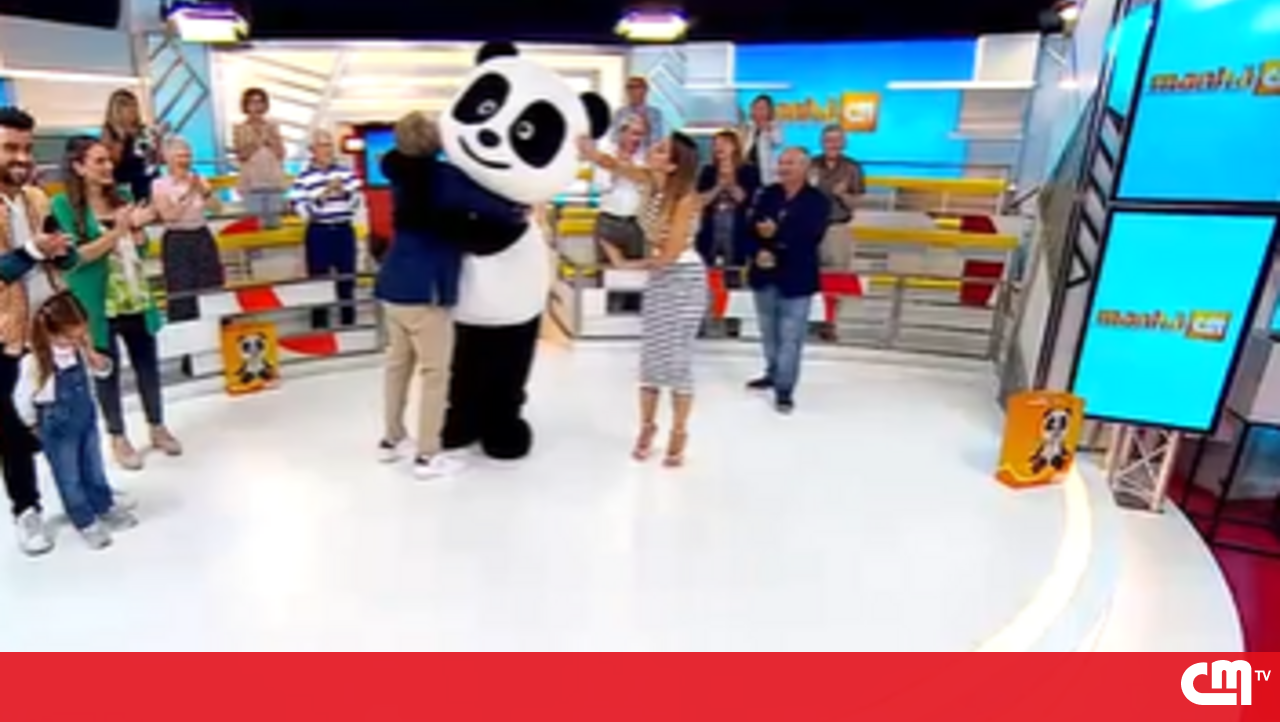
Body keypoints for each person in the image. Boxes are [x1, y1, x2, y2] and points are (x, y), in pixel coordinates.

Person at [51, 136, 182, 471]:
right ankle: (118, 436)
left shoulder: (122, 197)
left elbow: (139, 249)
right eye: (99, 161)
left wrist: (138, 234)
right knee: (107, 371)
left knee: (147, 366)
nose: (108, 166)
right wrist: (118, 231)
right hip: (98, 303)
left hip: (133, 295)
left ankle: (157, 426)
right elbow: (75, 259)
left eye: (108, 160)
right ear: (78, 167)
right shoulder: (63, 207)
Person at [579, 132, 705, 467]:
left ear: (674, 164)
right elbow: (615, 165)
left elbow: (671, 254)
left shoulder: (685, 199)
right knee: (651, 358)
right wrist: (590, 152)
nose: (652, 150)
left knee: (677, 361)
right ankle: (647, 426)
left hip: (685, 278)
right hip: (660, 277)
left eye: (661, 150)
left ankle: (679, 431)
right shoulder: (649, 180)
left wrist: (625, 263)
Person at [0, 106, 81, 555]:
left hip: (48, 326)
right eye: (10, 147)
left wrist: (62, 250)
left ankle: (84, 494)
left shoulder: (36, 197)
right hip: (4, 336)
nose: (21, 157)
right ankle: (26, 509)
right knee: (11, 431)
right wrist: (32, 250)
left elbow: (65, 256)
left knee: (71, 414)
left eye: (26, 148)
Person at [374, 112, 464, 479]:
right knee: (435, 372)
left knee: (397, 365)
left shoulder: (397, 173)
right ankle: (428, 455)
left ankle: (391, 439)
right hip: (425, 289)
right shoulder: (442, 178)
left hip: (393, 283)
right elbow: (483, 205)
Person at [12, 292, 137, 550]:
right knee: (69, 477)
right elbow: (22, 398)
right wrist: (32, 425)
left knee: (94, 467)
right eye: (70, 337)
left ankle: (103, 504)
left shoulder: (79, 350)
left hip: (85, 420)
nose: (76, 341)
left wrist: (92, 355)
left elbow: (104, 372)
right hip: (57, 429)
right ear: (50, 333)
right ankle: (84, 519)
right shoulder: (35, 360)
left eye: (81, 334)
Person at [745, 147, 830, 414]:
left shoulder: (817, 201)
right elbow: (750, 229)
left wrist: (776, 235)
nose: (783, 168)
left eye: (790, 163)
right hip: (764, 274)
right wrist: (757, 252)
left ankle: (784, 389)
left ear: (805, 167)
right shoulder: (767, 194)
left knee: (791, 337)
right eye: (781, 162)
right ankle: (772, 372)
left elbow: (811, 235)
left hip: (797, 277)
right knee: (769, 332)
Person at [288, 130, 362, 329]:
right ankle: (320, 327)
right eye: (322, 145)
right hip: (319, 232)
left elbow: (357, 203)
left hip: (343, 230)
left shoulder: (346, 173)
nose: (328, 150)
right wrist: (323, 196)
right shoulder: (302, 178)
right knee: (318, 282)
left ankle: (349, 323)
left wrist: (344, 192)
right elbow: (302, 211)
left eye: (329, 145)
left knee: (347, 279)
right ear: (312, 150)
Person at [151, 136, 224, 322]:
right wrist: (190, 191)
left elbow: (217, 209)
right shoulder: (159, 185)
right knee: (182, 290)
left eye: (188, 156)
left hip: (201, 236)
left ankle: (213, 324)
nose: (185, 160)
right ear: (168, 158)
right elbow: (169, 215)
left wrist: (205, 192)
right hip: (177, 240)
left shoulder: (200, 180)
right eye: (180, 156)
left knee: (211, 285)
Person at [696, 129, 760, 337]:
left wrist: (730, 184)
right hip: (711, 226)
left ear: (734, 147)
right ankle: (701, 322)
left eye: (723, 143)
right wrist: (717, 187)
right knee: (704, 275)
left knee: (734, 275)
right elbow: (701, 200)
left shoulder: (748, 171)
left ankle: (733, 323)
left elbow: (747, 200)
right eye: (716, 144)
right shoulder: (707, 171)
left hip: (736, 227)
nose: (719, 147)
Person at [809, 124, 866, 341]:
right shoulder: (811, 165)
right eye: (827, 140)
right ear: (821, 143)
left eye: (836, 140)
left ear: (844, 143)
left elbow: (857, 203)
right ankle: (810, 318)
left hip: (837, 228)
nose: (831, 144)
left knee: (835, 278)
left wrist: (842, 195)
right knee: (809, 275)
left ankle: (829, 323)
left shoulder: (853, 168)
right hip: (810, 227)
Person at [592, 115, 647, 313]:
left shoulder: (645, 159)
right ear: (622, 133)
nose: (637, 139)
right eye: (634, 133)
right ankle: (608, 317)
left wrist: (632, 169)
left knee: (635, 277)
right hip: (608, 223)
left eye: (641, 134)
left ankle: (632, 318)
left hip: (636, 225)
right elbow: (599, 186)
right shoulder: (605, 156)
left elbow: (647, 188)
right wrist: (616, 168)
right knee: (608, 275)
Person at [232, 88, 287, 229]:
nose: (256, 106)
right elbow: (242, 155)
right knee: (255, 226)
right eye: (252, 102)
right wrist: (259, 140)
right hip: (251, 184)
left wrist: (272, 138)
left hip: (274, 182)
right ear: (246, 105)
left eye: (260, 102)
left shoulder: (273, 126)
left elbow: (281, 154)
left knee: (274, 226)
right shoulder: (240, 128)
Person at [101, 89, 165, 204]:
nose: (133, 110)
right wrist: (123, 138)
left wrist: (158, 141)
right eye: (127, 106)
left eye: (135, 105)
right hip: (128, 185)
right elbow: (111, 162)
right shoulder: (110, 132)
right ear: (117, 110)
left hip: (151, 181)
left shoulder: (143, 130)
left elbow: (157, 160)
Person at [610, 76, 665, 153]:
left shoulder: (655, 114)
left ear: (645, 90)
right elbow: (613, 138)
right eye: (629, 87)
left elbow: (657, 140)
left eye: (636, 87)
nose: (632, 91)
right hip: (624, 156)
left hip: (647, 156)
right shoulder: (619, 113)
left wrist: (647, 129)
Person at [741, 94, 783, 185]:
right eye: (756, 108)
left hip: (765, 172)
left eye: (762, 108)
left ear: (769, 110)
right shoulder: (749, 126)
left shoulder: (775, 125)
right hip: (748, 169)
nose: (759, 111)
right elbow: (743, 147)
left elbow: (778, 141)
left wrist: (766, 129)